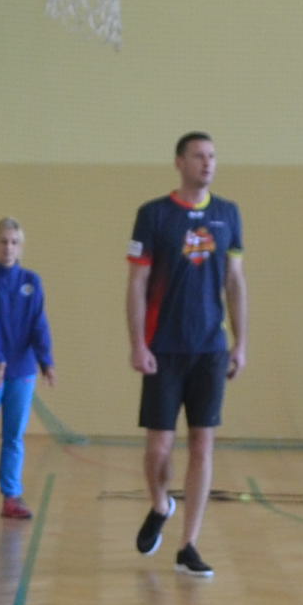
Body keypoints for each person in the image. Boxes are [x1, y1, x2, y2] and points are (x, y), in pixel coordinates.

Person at [125, 130, 246, 579]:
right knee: (159, 446)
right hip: (164, 348)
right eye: (198, 156)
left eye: (212, 156)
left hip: (210, 348)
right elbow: (137, 284)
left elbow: (235, 281)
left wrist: (241, 342)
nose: (207, 163)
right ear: (179, 162)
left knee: (201, 443)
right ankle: (161, 503)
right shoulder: (154, 215)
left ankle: (188, 544)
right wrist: (138, 343)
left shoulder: (228, 214)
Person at [0, 217, 54, 521]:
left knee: (14, 435)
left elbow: (39, 323)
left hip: (22, 371)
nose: (8, 247)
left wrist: (46, 361)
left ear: (21, 247)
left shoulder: (32, 282)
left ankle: (11, 496)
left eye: (14, 242)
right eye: (3, 241)